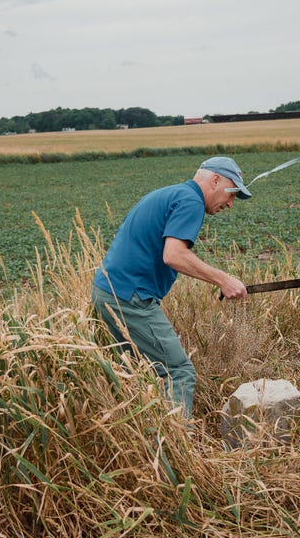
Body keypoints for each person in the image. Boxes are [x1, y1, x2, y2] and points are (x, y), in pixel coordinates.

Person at [91, 156, 252, 418]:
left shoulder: (173, 194)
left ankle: (144, 444)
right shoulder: (191, 201)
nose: (231, 203)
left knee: (137, 373)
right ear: (214, 180)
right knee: (178, 372)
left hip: (108, 291)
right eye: (232, 192)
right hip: (130, 298)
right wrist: (223, 279)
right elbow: (174, 255)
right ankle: (175, 449)